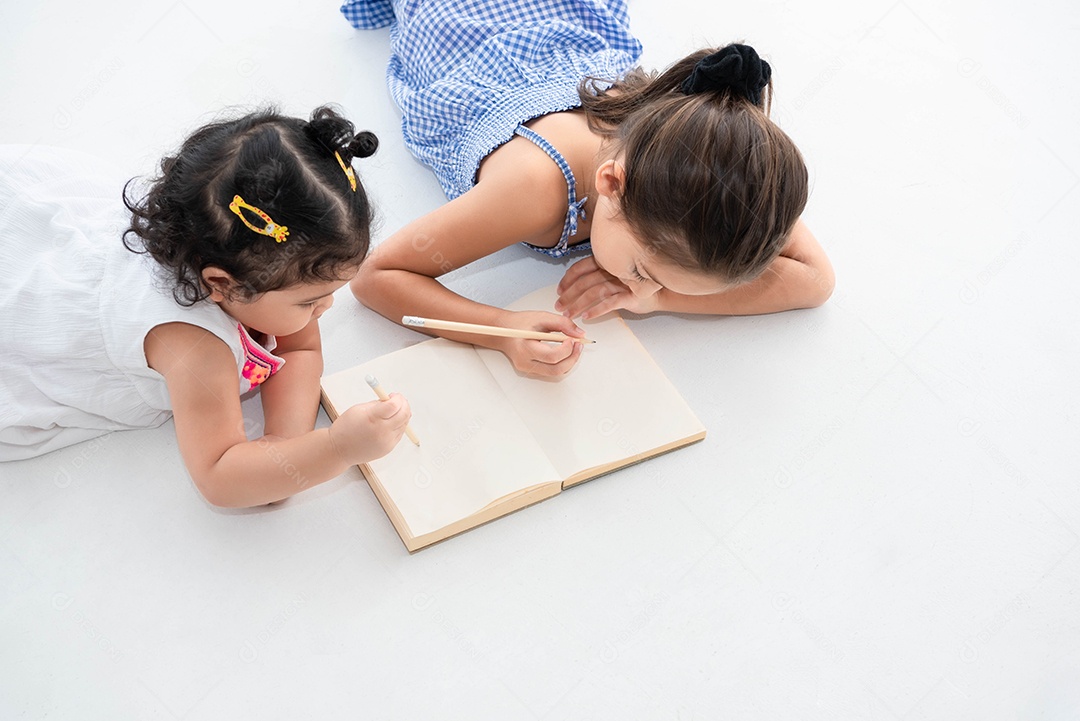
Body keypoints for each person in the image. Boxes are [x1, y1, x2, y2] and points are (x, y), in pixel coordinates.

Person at [342, 0, 835, 377]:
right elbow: (375, 277)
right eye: (643, 272)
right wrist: (501, 330)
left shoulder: (717, 170)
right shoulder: (535, 187)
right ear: (610, 182)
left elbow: (814, 280)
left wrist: (659, 301)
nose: (636, 289)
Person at [0, 106, 412, 507]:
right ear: (221, 284)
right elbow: (220, 478)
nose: (326, 307)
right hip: (42, 312)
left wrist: (283, 449)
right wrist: (335, 447)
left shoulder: (254, 259)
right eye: (309, 301)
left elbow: (300, 349)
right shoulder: (195, 347)